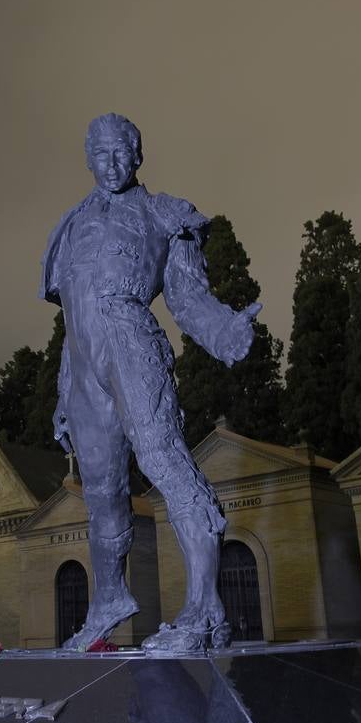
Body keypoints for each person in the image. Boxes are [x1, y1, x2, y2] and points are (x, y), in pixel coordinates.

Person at [40, 113, 261, 653]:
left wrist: (225, 327)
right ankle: (109, 599)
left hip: (131, 342)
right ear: (87, 157)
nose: (111, 162)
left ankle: (206, 607)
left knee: (162, 460)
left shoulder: (165, 215)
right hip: (84, 362)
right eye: (101, 152)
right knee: (100, 490)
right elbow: (70, 314)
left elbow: (187, 298)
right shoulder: (70, 228)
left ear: (138, 156)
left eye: (122, 151)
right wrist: (65, 389)